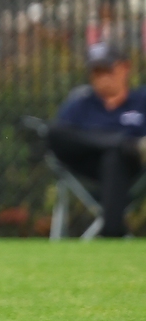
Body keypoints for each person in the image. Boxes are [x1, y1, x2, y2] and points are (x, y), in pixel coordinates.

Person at [50, 41, 146, 238]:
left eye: (107, 70)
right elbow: (61, 135)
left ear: (124, 68)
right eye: (96, 72)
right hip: (87, 166)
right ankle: (121, 143)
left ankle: (112, 232)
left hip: (130, 168)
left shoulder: (141, 102)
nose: (102, 77)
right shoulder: (81, 103)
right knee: (55, 131)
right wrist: (122, 142)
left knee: (113, 156)